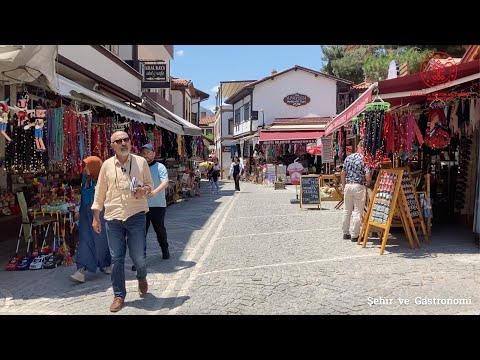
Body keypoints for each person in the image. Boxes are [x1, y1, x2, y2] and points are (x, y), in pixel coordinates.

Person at [91, 131, 154, 313]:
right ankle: (119, 295)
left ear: (130, 142)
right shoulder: (106, 166)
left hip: (136, 215)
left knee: (138, 257)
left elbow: (150, 185)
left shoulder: (140, 162)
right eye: (118, 141)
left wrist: (144, 190)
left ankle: (141, 276)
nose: (123, 143)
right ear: (112, 145)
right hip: (113, 217)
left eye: (126, 139)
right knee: (117, 258)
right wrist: (96, 217)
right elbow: (100, 191)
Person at [70, 156, 111, 283]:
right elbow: (83, 197)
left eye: (87, 166)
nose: (85, 168)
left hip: (100, 214)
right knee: (85, 239)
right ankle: (81, 270)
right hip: (85, 215)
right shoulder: (85, 179)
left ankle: (105, 264)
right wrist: (78, 211)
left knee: (101, 241)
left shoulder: (104, 179)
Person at [140, 144, 170, 260]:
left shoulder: (160, 167)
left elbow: (165, 182)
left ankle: (165, 249)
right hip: (142, 205)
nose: (145, 154)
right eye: (144, 152)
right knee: (141, 233)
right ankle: (140, 258)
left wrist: (154, 192)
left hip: (157, 205)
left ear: (154, 153)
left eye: (148, 152)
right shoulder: (140, 167)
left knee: (160, 230)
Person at [341, 141, 372, 243]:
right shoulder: (364, 159)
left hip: (348, 185)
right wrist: (368, 182)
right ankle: (355, 235)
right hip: (359, 186)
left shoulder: (348, 157)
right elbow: (367, 176)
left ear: (358, 146)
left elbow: (343, 173)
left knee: (347, 210)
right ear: (364, 148)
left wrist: (344, 185)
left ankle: (345, 233)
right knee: (357, 211)